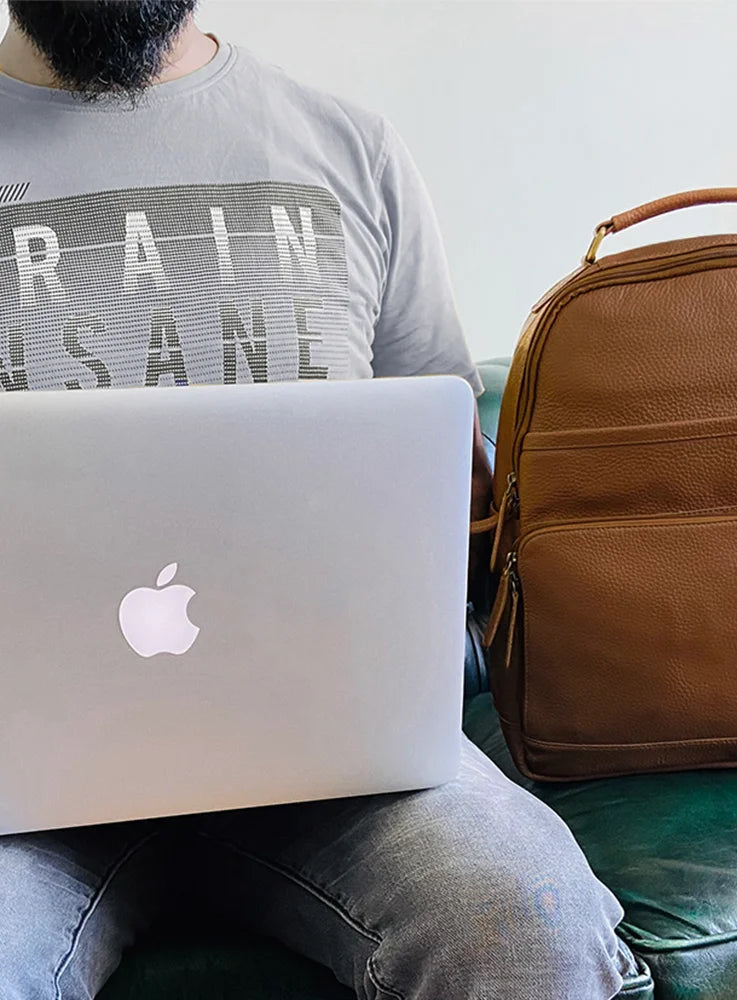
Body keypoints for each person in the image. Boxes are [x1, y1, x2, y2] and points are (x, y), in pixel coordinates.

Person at [0, 2, 639, 998]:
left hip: (343, 762)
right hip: (21, 792)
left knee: (524, 923)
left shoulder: (350, 147)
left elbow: (441, 471)